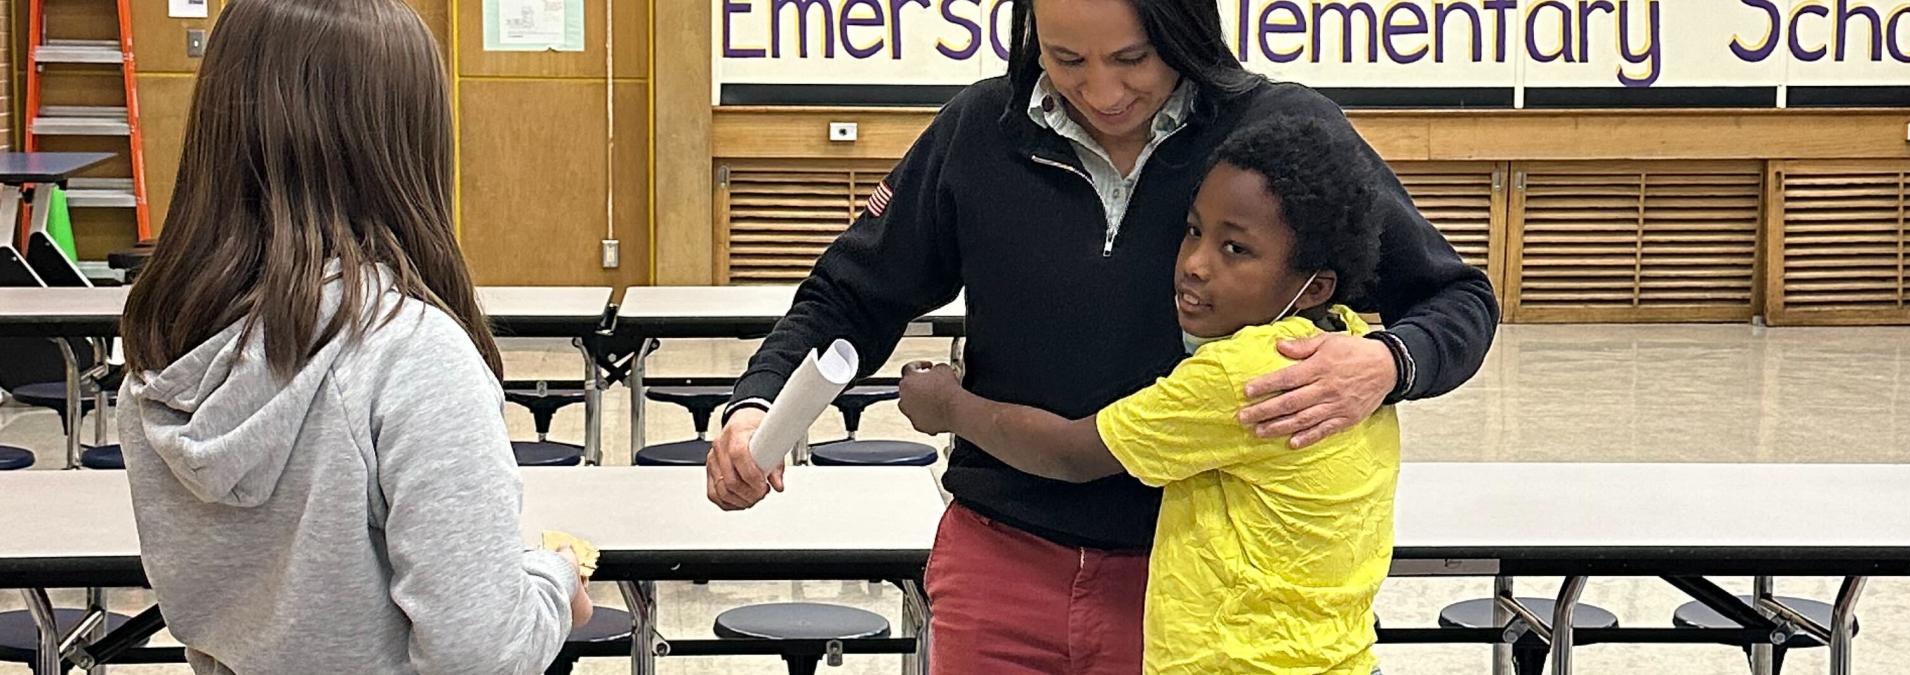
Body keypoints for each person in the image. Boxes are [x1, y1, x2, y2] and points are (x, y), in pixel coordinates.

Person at [706, 0, 1497, 669]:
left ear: (1184, 29)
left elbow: (1458, 298)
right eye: (1064, 57)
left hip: (1187, 591)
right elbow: (850, 293)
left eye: (1131, 57)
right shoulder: (980, 131)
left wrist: (1388, 361)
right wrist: (757, 406)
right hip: (997, 562)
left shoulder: (1278, 137)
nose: (1102, 89)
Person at [116, 1, 590, 673]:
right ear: (405, 147)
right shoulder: (411, 353)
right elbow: (481, 653)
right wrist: (554, 579)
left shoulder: (162, 345)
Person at [898, 116, 1399, 674]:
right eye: (1192, 231)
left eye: (1235, 249)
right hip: (1336, 656)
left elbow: (1071, 453)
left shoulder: (1246, 375)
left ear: (1315, 286)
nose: (1195, 265)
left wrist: (948, 406)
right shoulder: (1352, 346)